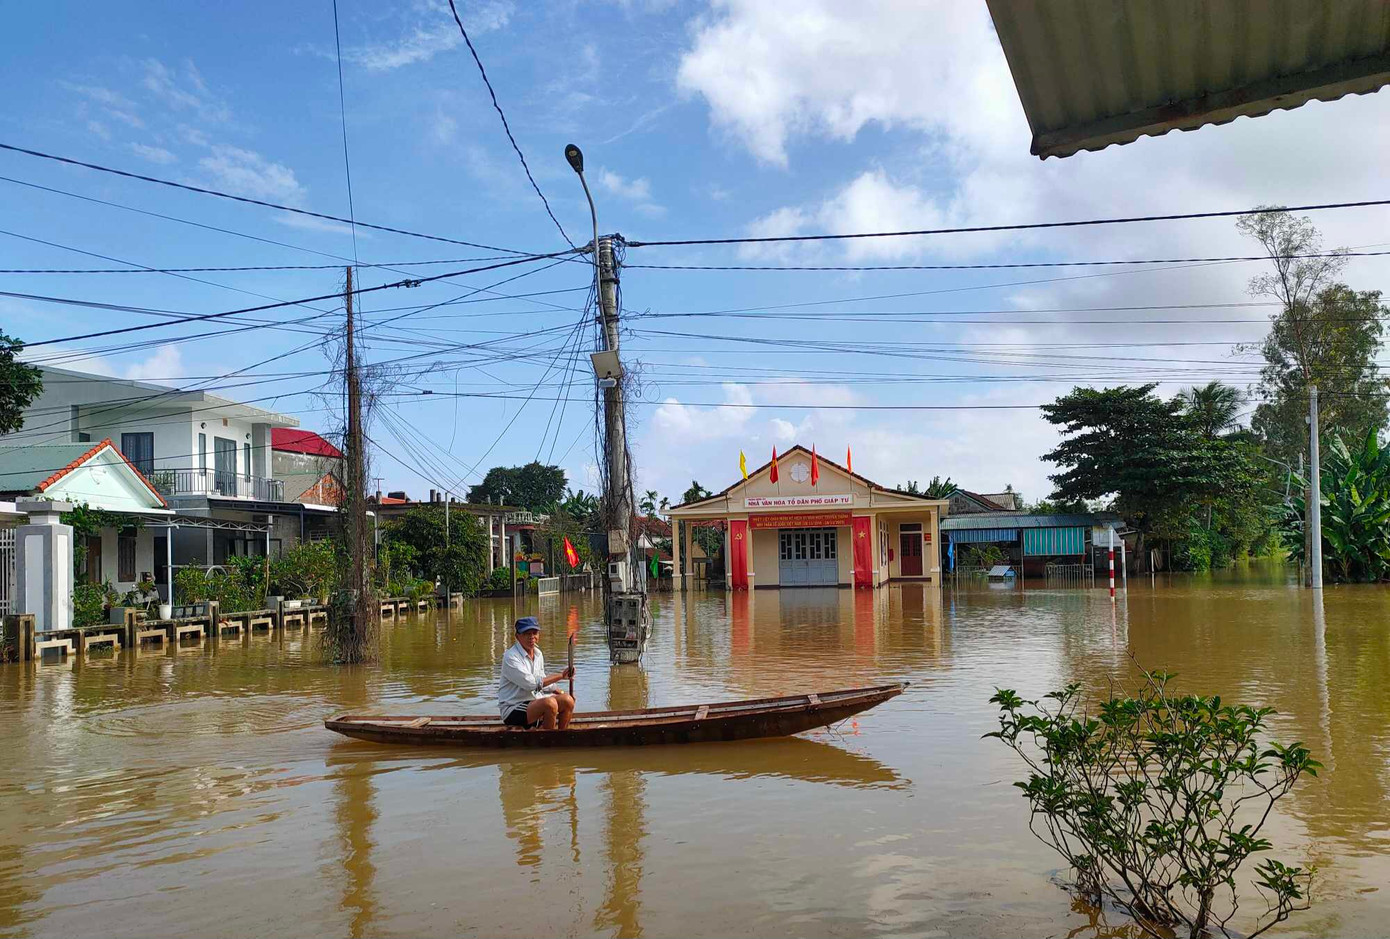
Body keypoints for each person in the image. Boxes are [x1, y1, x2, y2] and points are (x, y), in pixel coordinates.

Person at [498, 616, 575, 730]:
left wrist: (559, 691)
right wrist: (561, 676)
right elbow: (531, 684)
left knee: (568, 700)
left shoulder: (538, 654)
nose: (532, 637)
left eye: (534, 633)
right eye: (527, 634)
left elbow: (542, 680)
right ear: (517, 636)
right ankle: (547, 742)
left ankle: (560, 737)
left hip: (535, 702)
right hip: (514, 708)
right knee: (550, 703)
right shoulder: (511, 657)